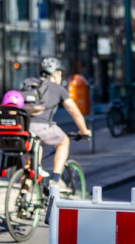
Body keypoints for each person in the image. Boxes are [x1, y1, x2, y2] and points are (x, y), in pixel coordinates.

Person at [26, 58, 91, 190]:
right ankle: (55, 180)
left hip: (23, 128)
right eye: (60, 73)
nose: (61, 76)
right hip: (41, 127)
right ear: (55, 73)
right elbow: (74, 112)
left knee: (31, 165)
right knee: (64, 141)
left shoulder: (29, 84)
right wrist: (84, 131)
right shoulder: (58, 89)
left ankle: (24, 196)